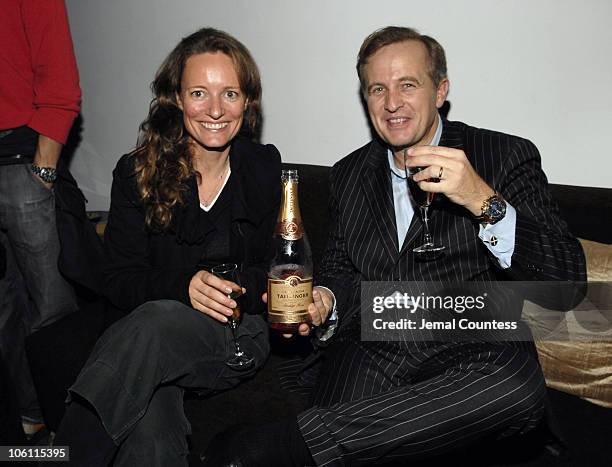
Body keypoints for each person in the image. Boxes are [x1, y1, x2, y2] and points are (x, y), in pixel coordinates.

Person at [203, 26, 586, 467]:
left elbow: (567, 283)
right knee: (341, 408)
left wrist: (483, 200)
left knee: (516, 388)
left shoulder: (503, 154)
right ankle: (317, 440)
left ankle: (293, 444)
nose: (391, 102)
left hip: (472, 344)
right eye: (377, 89)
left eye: (408, 84)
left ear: (440, 90)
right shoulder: (348, 174)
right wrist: (324, 300)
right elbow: (340, 272)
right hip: (372, 347)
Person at [53, 27, 282, 466]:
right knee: (150, 433)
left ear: (247, 101)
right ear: (177, 98)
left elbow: (282, 271)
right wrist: (184, 287)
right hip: (148, 340)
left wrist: (224, 284)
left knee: (156, 322)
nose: (215, 110)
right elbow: (117, 280)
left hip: (236, 332)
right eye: (199, 92)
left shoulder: (264, 168)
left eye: (230, 93)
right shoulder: (136, 172)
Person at [0, 0, 81, 437]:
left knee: (53, 306)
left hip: (21, 160)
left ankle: (70, 429)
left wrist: (44, 168)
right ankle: (31, 420)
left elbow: (60, 77)